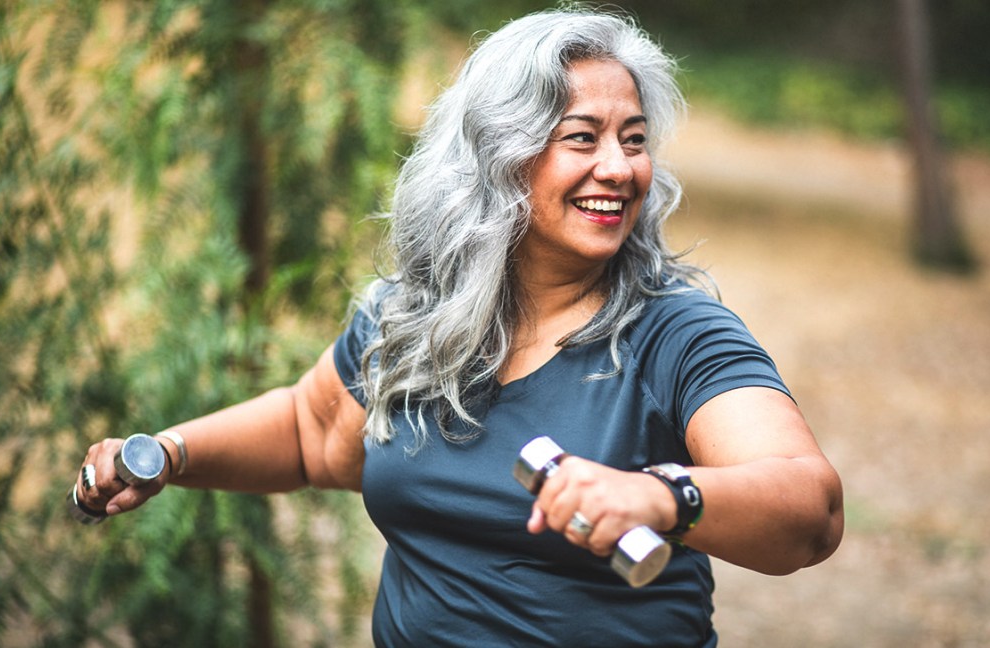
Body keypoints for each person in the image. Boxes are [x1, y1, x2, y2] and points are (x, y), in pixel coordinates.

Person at [73, 8, 843, 646]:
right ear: (500, 156)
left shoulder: (677, 334)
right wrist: (168, 454)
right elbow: (313, 432)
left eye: (633, 139)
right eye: (582, 137)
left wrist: (661, 498)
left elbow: (810, 510)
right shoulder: (411, 314)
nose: (619, 167)